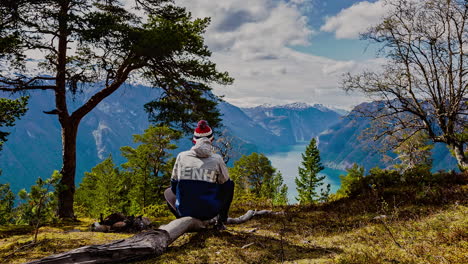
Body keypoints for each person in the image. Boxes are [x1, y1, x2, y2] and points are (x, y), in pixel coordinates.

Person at [164, 120, 234, 230]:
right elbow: (226, 185)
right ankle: (221, 221)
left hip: (185, 210)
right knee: (229, 185)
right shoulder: (217, 159)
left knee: (168, 192)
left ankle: (181, 219)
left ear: (194, 140)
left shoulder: (181, 156)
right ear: (211, 140)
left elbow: (173, 184)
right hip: (209, 211)